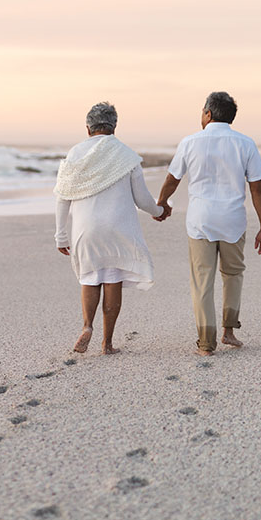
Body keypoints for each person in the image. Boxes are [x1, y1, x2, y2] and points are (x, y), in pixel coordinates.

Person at [155, 91, 261, 356]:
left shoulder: (190, 142)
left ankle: (206, 344)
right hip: (233, 220)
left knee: (202, 281)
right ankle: (229, 331)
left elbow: (173, 179)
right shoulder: (245, 143)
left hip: (201, 221)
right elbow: (257, 190)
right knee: (233, 274)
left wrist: (162, 204)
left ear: (207, 113)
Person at [55, 102, 166, 355]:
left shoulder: (75, 153)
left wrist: (60, 234)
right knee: (112, 280)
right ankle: (107, 343)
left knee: (89, 279)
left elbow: (62, 197)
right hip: (118, 228)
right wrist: (160, 212)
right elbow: (142, 199)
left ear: (88, 128)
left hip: (86, 229)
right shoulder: (126, 154)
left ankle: (86, 326)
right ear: (114, 127)